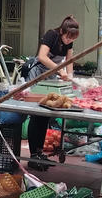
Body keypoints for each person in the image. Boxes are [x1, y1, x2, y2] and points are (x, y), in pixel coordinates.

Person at [23, 16, 81, 168]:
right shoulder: (51, 35)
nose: (69, 41)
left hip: (51, 76)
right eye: (67, 37)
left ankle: (39, 153)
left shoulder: (68, 42)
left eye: (72, 39)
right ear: (62, 31)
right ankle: (33, 157)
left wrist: (71, 78)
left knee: (45, 116)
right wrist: (59, 70)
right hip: (37, 74)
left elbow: (69, 61)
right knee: (37, 114)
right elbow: (42, 57)